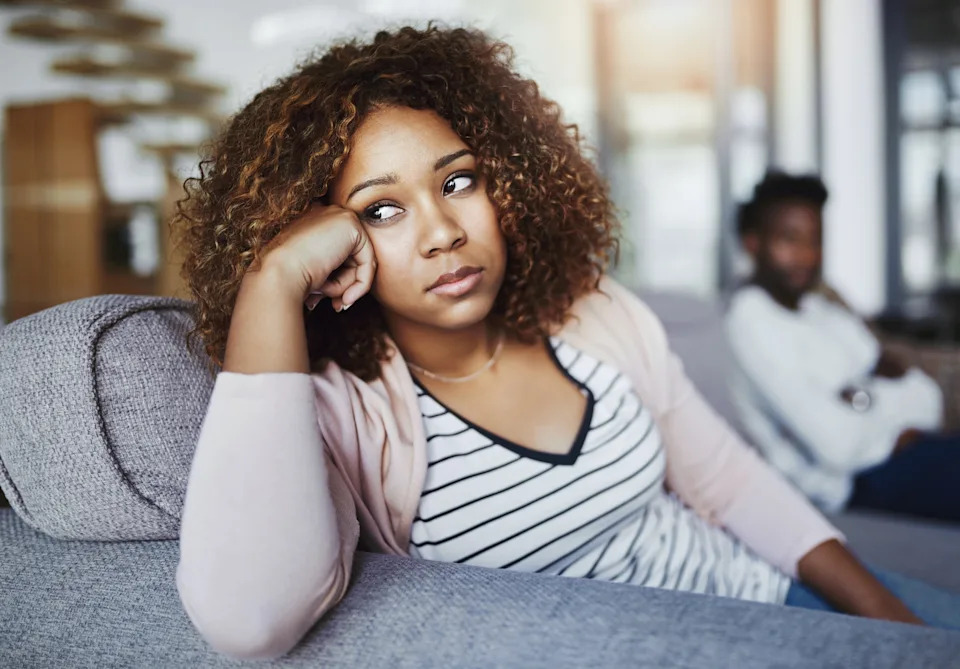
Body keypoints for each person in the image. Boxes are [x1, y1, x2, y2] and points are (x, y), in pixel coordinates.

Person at [173, 28, 960, 661]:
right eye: (381, 210)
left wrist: (888, 619)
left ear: (507, 184)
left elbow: (731, 485)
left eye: (457, 182)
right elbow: (251, 619)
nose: (444, 232)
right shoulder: (344, 408)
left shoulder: (594, 313)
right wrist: (273, 279)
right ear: (332, 239)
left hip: (775, 596)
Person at [725, 170, 960, 521]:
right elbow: (839, 447)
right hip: (857, 484)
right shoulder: (750, 319)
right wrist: (885, 405)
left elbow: (923, 393)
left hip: (901, 456)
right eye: (790, 239)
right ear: (753, 243)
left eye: (814, 240)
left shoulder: (819, 308)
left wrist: (859, 398)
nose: (806, 256)